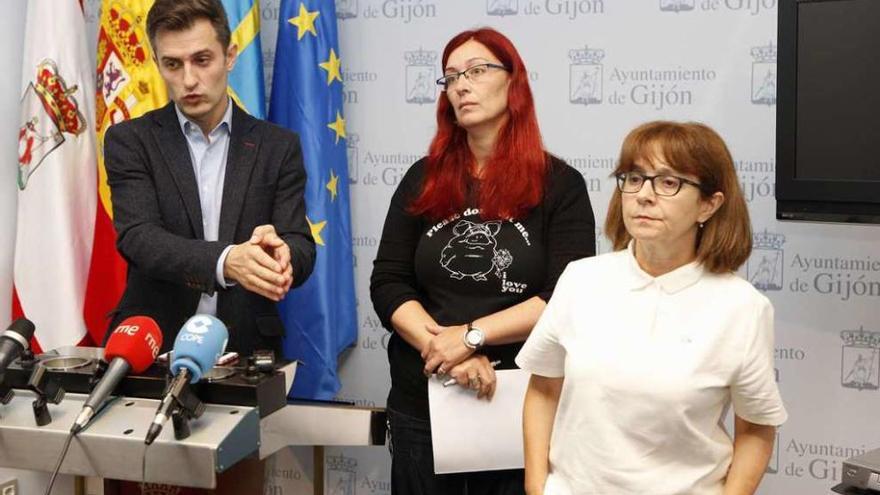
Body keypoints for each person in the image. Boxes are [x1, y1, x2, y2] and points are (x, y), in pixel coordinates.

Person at [370, 27, 595, 495]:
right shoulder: (422, 179)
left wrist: (472, 337)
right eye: (451, 77)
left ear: (514, 83)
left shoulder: (561, 185)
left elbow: (565, 298)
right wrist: (449, 353)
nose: (461, 85)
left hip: (522, 405)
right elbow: (389, 283)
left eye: (476, 71)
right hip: (424, 404)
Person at [517, 121, 788, 495]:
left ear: (709, 204)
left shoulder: (742, 307)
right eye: (634, 178)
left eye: (668, 182)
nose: (644, 195)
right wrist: (537, 486)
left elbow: (756, 427)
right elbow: (543, 388)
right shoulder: (581, 279)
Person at [104, 0, 315, 356]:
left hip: (247, 350)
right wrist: (226, 261)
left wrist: (279, 256)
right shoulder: (129, 140)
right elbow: (138, 238)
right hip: (153, 346)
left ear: (230, 56)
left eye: (202, 60)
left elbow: (300, 245)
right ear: (158, 64)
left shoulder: (278, 145)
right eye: (173, 64)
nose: (189, 80)